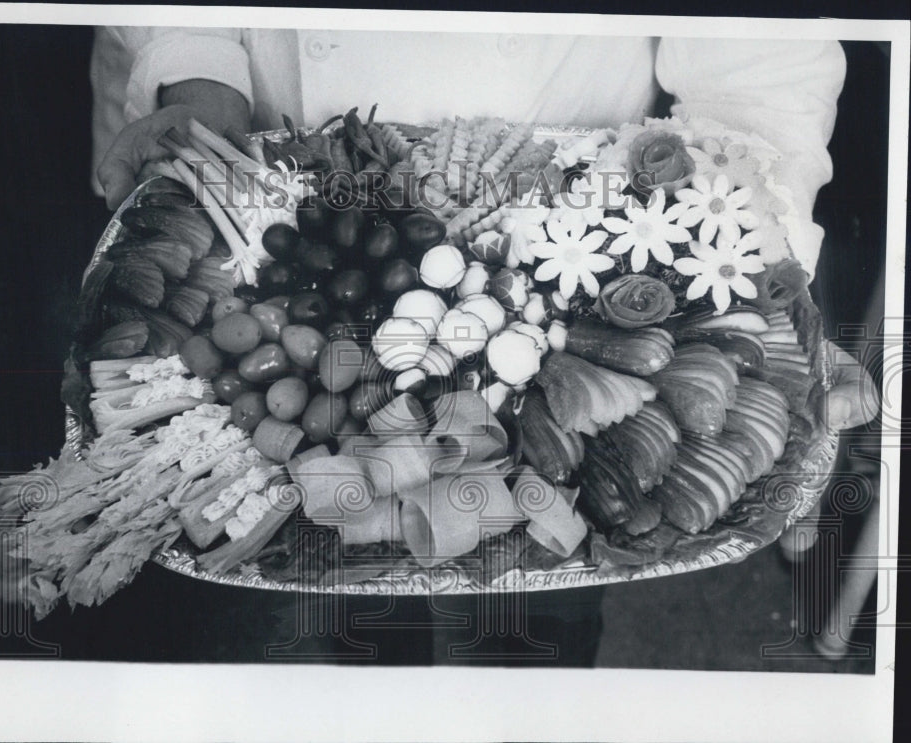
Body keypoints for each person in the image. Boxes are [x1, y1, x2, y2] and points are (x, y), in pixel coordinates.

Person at [88, 28, 880, 665]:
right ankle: (379, 683)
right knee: (364, 595)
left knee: (544, 604)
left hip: (574, 203)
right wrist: (197, 75)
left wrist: (748, 254)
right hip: (302, 180)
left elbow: (763, 61)